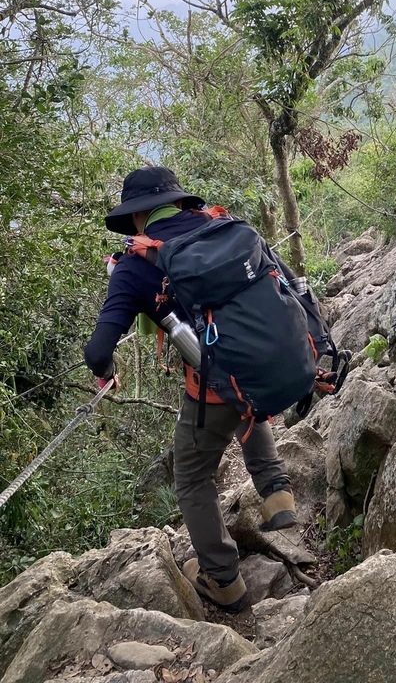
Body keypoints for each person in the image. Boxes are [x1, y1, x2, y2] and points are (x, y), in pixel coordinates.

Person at [84, 166, 297, 613]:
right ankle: (277, 493)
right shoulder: (222, 225)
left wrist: (105, 374)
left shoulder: (133, 265)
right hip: (268, 360)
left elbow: (98, 349)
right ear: (181, 201)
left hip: (212, 384)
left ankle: (224, 581)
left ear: (138, 218)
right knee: (243, 389)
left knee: (192, 476)